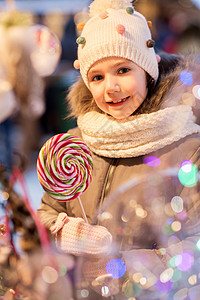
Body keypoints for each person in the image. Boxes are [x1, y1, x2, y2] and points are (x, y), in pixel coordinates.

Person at [38, 0, 200, 298]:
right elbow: (48, 212)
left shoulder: (188, 149)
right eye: (97, 77)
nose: (110, 87)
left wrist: (118, 264)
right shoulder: (75, 143)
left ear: (148, 71)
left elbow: (195, 251)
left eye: (123, 69)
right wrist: (64, 231)